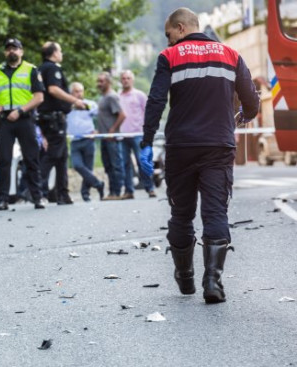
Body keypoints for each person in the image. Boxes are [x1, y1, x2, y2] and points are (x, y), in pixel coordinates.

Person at [139, 8, 259, 303]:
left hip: (180, 146)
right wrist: (241, 116)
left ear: (180, 28)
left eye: (169, 35)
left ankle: (185, 280)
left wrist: (145, 140)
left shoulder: (170, 57)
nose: (168, 42)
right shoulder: (231, 54)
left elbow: (156, 100)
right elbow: (252, 102)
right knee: (216, 212)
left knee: (181, 213)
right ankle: (213, 282)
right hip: (218, 145)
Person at [0, 38, 45, 210]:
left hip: (25, 119)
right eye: (8, 49)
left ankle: (38, 197)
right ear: (4, 52)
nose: (11, 52)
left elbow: (39, 97)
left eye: (15, 49)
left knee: (31, 159)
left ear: (21, 51)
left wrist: (21, 111)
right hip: (4, 121)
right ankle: (2, 199)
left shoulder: (30, 69)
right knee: (4, 160)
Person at [37, 41, 86, 205]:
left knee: (62, 157)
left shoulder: (41, 68)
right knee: (53, 154)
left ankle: (62, 194)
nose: (61, 54)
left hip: (51, 118)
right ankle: (36, 189)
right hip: (53, 118)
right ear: (54, 53)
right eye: (60, 51)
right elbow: (53, 89)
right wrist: (75, 100)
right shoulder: (52, 68)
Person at [119, 70, 156, 199]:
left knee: (142, 162)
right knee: (125, 163)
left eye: (128, 78)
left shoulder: (139, 95)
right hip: (122, 135)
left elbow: (148, 113)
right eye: (123, 78)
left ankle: (150, 188)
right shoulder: (117, 96)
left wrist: (148, 131)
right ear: (120, 80)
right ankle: (129, 190)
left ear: (132, 80)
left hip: (137, 134)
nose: (125, 80)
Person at [67, 82, 105, 202]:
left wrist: (98, 129)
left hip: (88, 140)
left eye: (81, 91)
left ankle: (85, 194)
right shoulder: (67, 106)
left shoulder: (90, 104)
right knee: (77, 165)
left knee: (88, 168)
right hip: (75, 141)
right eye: (76, 91)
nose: (79, 94)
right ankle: (98, 183)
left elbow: (100, 115)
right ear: (71, 93)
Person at [96, 71, 126, 201]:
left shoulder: (111, 97)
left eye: (101, 81)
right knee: (108, 166)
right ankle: (112, 191)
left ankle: (117, 192)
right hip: (104, 137)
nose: (99, 84)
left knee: (115, 165)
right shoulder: (102, 97)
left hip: (112, 138)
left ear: (108, 82)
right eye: (98, 81)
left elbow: (122, 115)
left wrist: (112, 131)